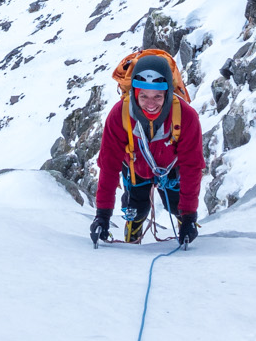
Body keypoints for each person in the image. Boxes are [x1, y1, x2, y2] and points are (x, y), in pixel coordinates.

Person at [88, 50, 206, 247]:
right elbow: (109, 166)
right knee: (137, 210)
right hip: (136, 169)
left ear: (168, 94)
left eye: (158, 96)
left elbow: (191, 167)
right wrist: (103, 215)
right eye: (143, 96)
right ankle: (132, 243)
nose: (150, 104)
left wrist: (189, 216)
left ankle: (182, 227)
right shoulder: (119, 115)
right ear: (134, 93)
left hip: (171, 169)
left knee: (177, 207)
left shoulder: (185, 116)